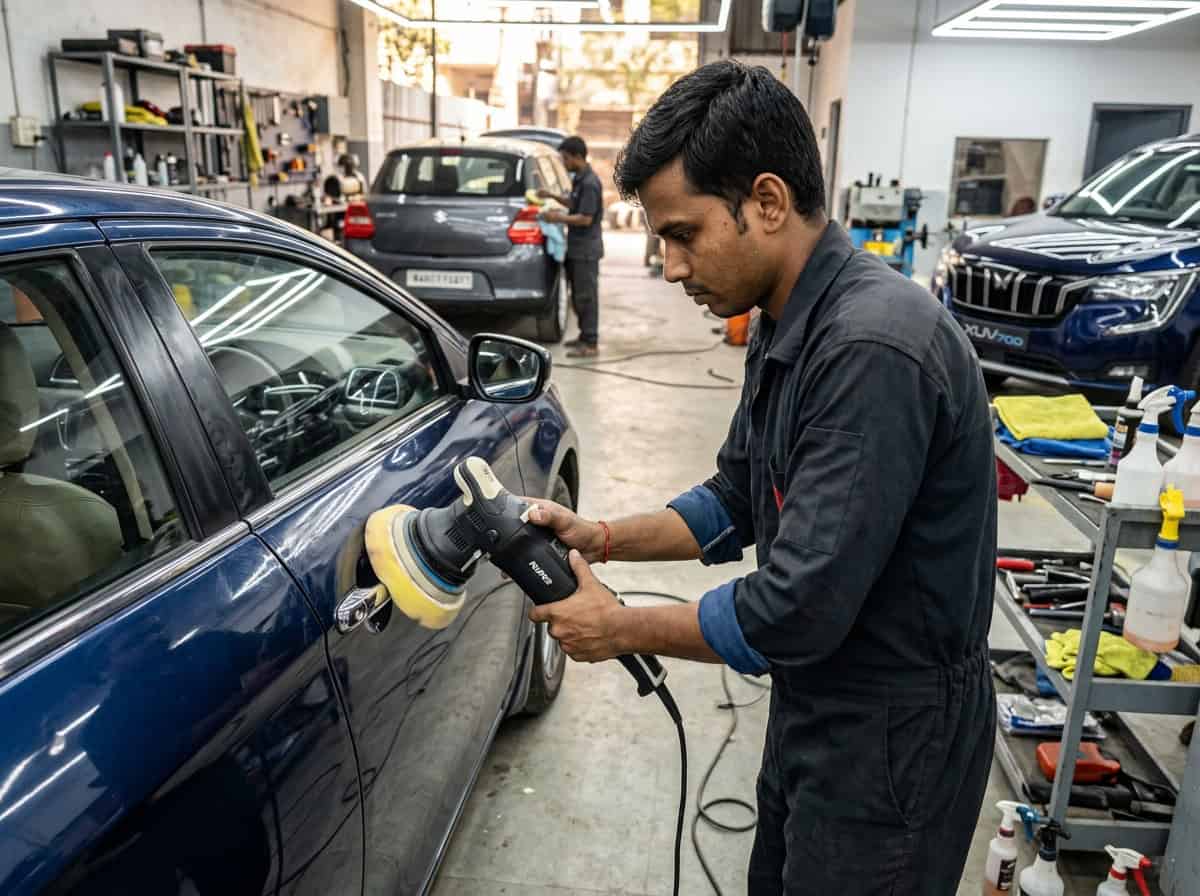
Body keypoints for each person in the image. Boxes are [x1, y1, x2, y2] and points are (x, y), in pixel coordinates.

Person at [524, 61, 998, 895]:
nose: (671, 267)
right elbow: (736, 496)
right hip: (820, 704)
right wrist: (601, 537)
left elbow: (797, 609)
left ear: (768, 203)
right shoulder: (787, 318)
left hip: (894, 732)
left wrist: (622, 628)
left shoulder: (870, 348)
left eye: (683, 233)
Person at [538, 135, 604, 357]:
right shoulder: (579, 180)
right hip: (576, 248)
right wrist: (551, 196)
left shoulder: (590, 183)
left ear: (577, 157)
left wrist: (556, 218)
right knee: (577, 296)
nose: (564, 163)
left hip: (586, 251)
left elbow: (585, 218)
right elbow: (574, 204)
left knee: (586, 297)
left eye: (565, 159)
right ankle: (584, 337)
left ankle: (591, 342)